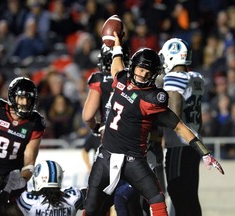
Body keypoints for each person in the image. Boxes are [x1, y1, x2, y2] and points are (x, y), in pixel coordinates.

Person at [82, 32, 224, 216]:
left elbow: (179, 125)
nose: (144, 74)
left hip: (134, 159)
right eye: (141, 69)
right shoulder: (121, 79)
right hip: (106, 156)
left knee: (156, 200)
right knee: (92, 208)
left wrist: (205, 152)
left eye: (148, 72)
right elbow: (117, 65)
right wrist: (117, 45)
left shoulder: (152, 98)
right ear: (133, 68)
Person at [82, 43, 143, 216]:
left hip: (107, 146)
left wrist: (96, 128)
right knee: (128, 199)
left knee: (98, 201)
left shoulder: (99, 80)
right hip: (131, 145)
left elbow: (87, 116)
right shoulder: (134, 81)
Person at [158, 37, 205, 216]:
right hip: (194, 143)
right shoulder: (197, 78)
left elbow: (174, 112)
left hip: (178, 144)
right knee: (191, 195)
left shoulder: (173, 78)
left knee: (178, 193)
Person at [0, 76, 45, 198]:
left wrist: (20, 182)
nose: (25, 103)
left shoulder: (35, 122)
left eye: (28, 99)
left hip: (12, 176)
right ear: (13, 97)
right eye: (21, 98)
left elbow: (29, 161)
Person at [0, 160, 85, 216]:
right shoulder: (73, 197)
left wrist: (9, 187)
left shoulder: (29, 201)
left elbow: (0, 210)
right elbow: (95, 196)